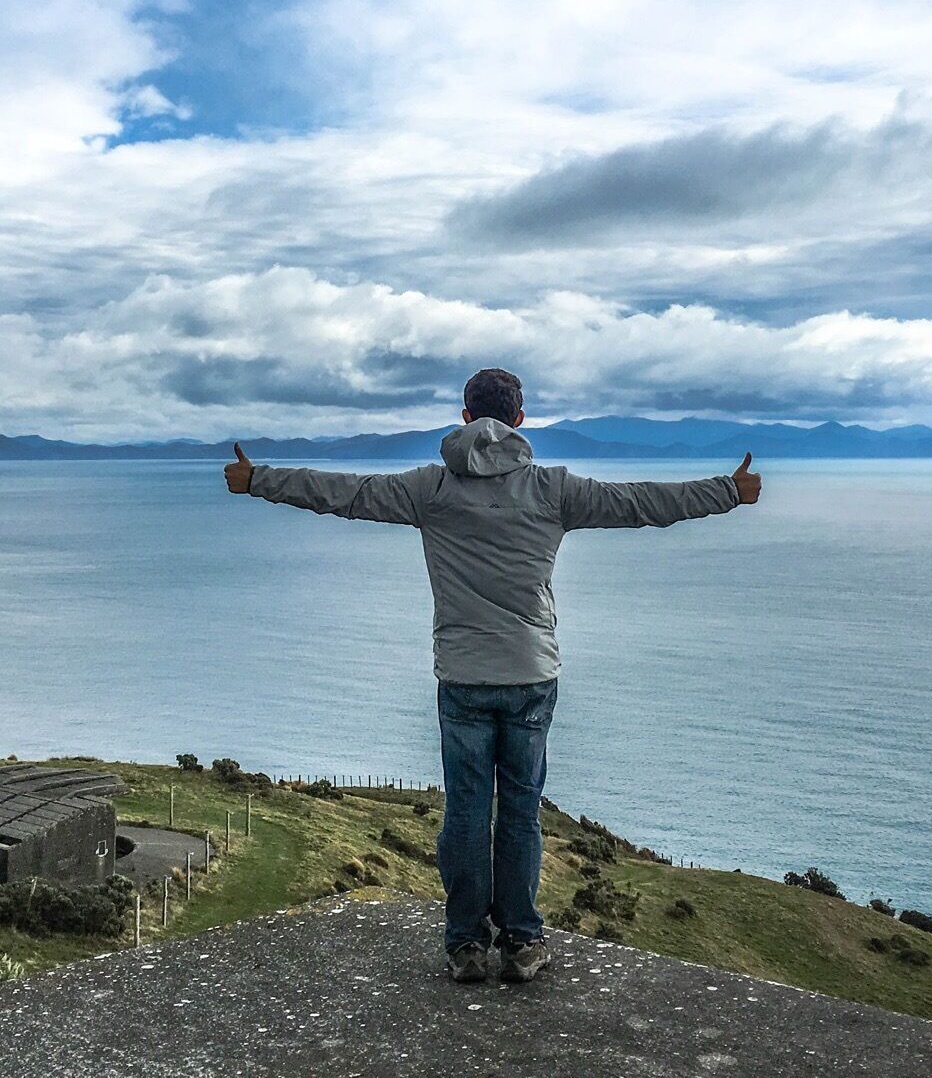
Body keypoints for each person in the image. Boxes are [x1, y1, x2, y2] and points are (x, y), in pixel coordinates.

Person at [223, 367, 760, 985]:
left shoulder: (431, 488)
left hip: (464, 677)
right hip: (531, 674)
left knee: (467, 813)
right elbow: (643, 504)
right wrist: (728, 490)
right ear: (521, 418)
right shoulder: (554, 489)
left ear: (464, 415)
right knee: (521, 814)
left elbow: (343, 491)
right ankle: (523, 945)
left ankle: (465, 947)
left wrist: (257, 480)